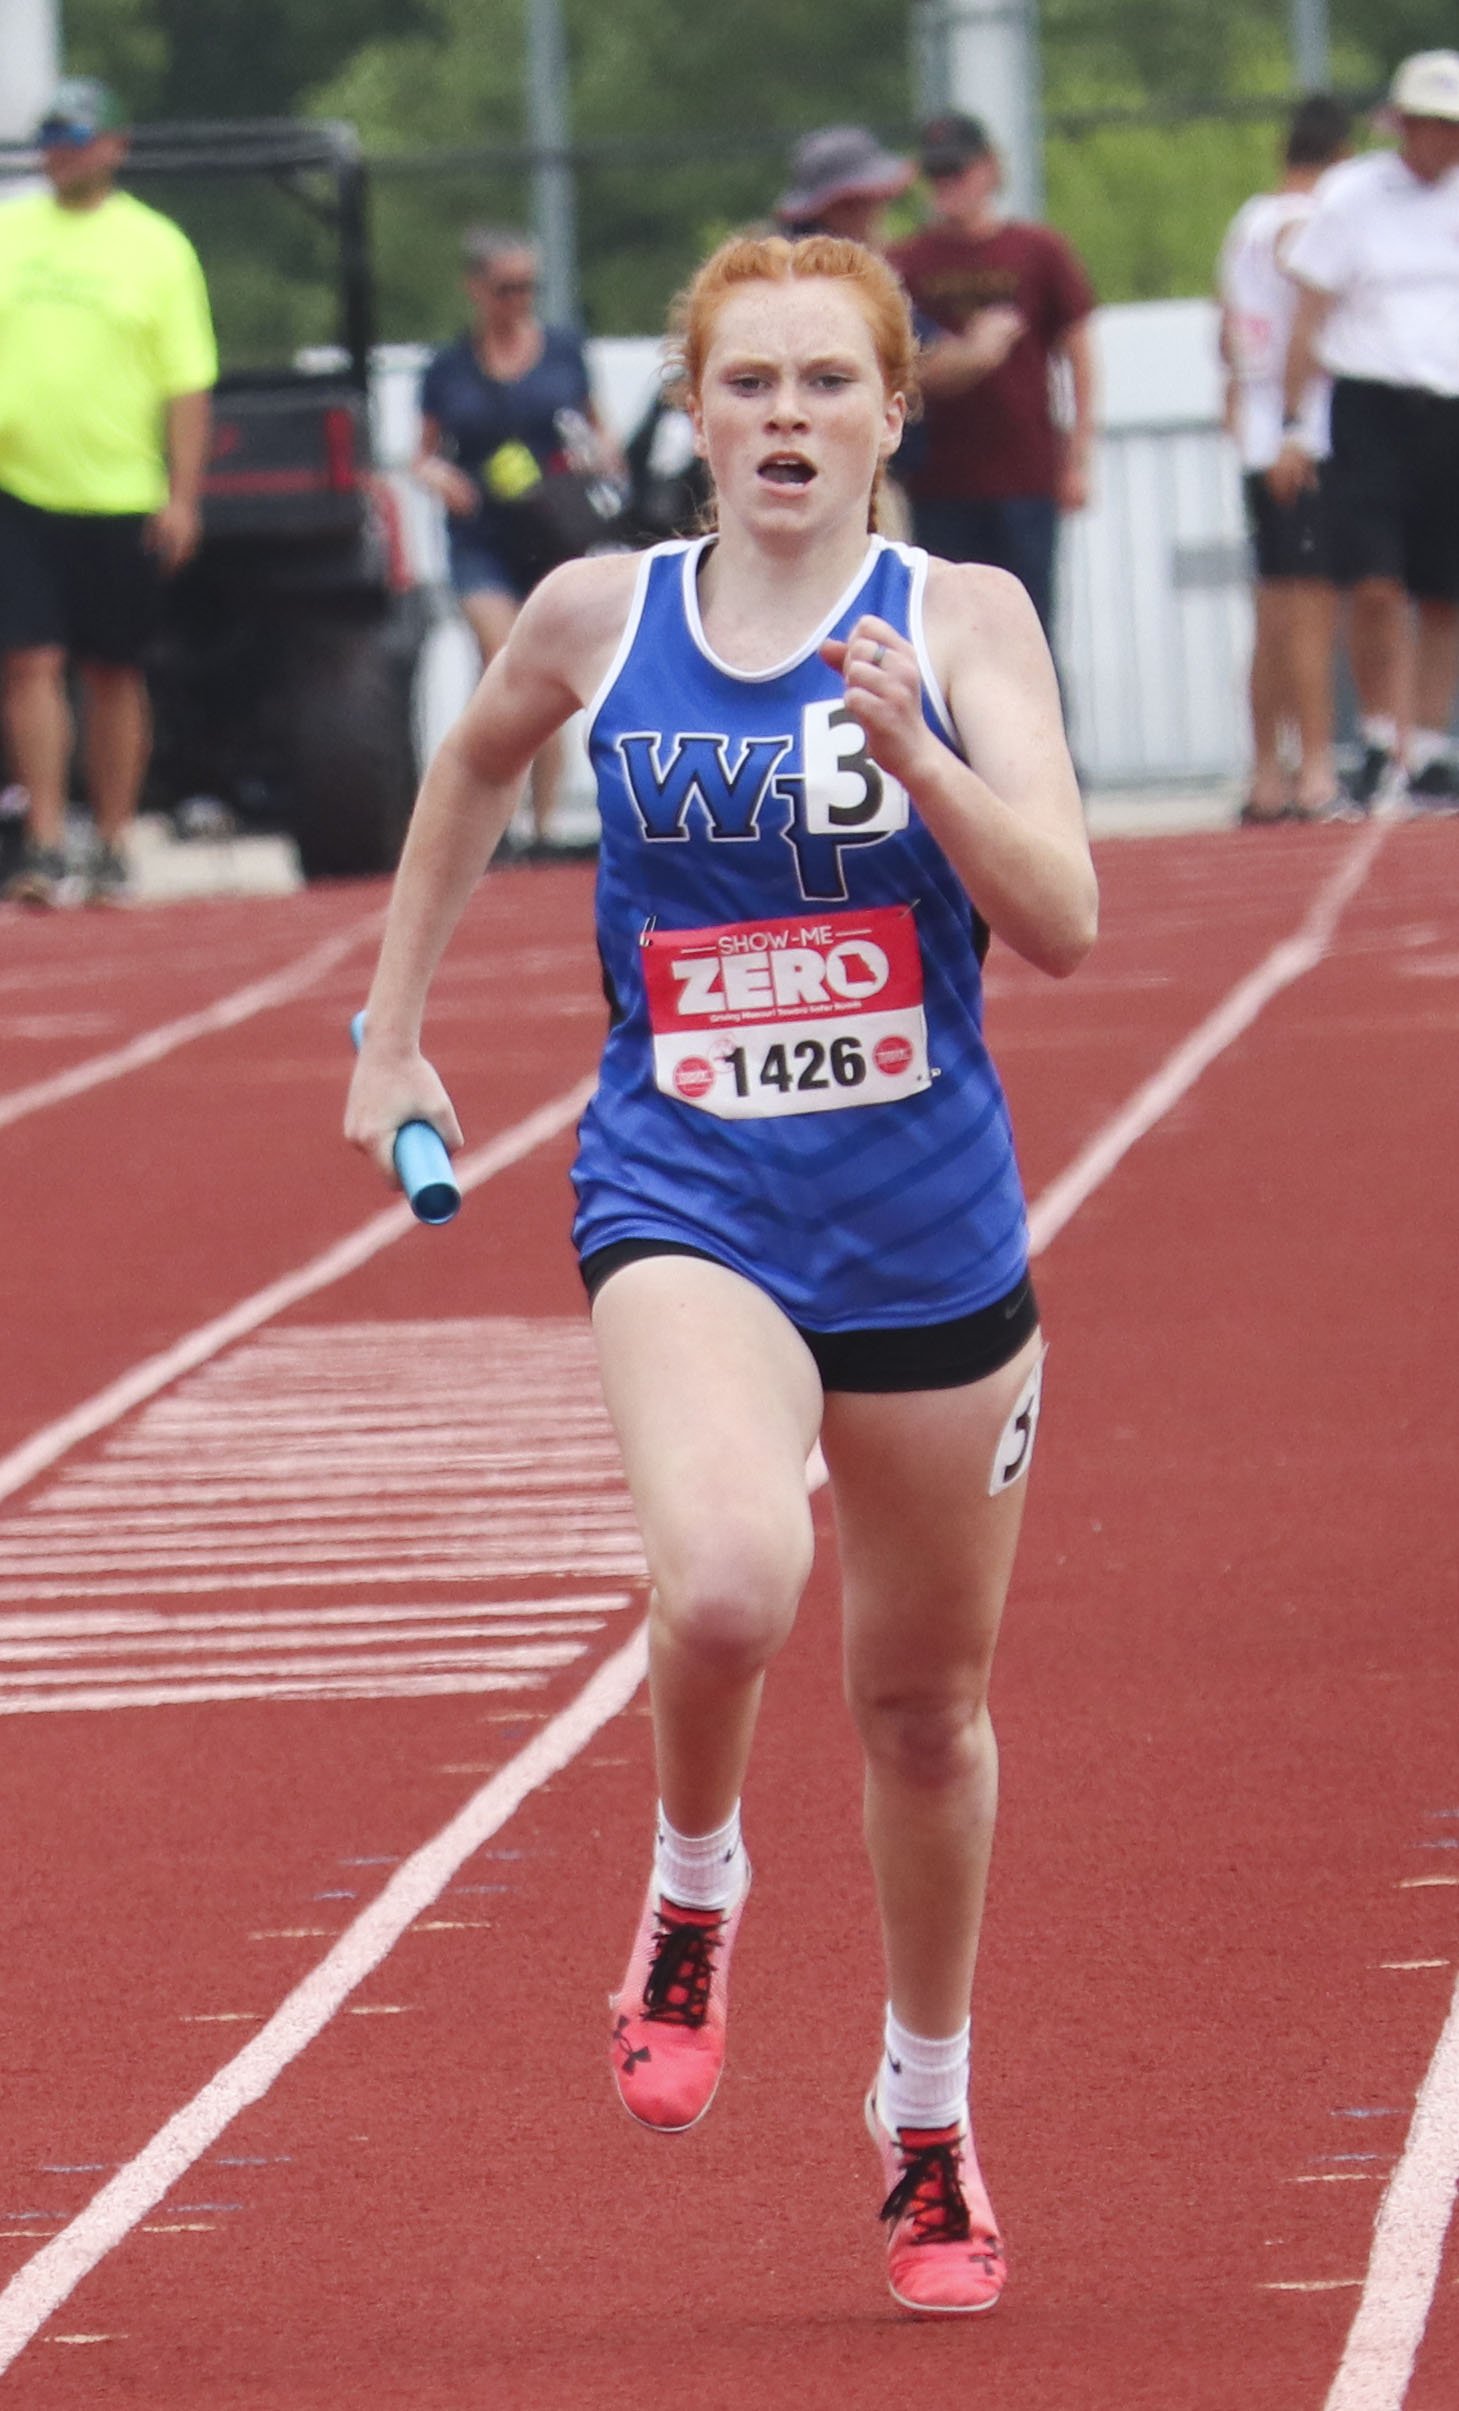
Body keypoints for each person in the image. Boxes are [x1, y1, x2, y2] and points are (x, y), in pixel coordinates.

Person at [346, 233, 1096, 2316]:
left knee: (924, 1709)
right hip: (690, 1188)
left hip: (931, 1218)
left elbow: (1069, 917)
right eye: (747, 383)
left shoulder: (964, 616)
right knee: (735, 1576)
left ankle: (924, 2114)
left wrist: (921, 753)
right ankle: (693, 1882)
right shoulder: (604, 614)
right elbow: (477, 763)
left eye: (826, 385)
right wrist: (389, 1025)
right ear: (697, 413)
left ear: (886, 412)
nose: (785, 418)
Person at [0, 77, 216, 908]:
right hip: (19, 485)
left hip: (121, 489)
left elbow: (187, 383)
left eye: (80, 137)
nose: (64, 152)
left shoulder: (156, 246)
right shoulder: (13, 232)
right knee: (28, 660)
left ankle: (115, 836)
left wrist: (183, 495)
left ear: (116, 146)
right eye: (53, 138)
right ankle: (46, 837)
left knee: (113, 669)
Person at [1272, 52, 1459, 815]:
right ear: (1403, 125)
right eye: (1429, 125)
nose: (1439, 140)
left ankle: (1434, 746)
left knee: (1445, 593)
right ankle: (1383, 737)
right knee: (1374, 585)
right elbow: (1307, 319)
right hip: (1369, 407)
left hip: (1449, 407)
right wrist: (1290, 424)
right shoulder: (1353, 197)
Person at [414, 228, 621, 851]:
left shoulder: (563, 353)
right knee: (504, 656)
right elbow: (421, 455)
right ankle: (493, 818)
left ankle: (540, 824)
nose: (519, 300)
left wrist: (597, 464)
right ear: (476, 290)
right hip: (480, 534)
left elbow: (600, 434)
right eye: (506, 289)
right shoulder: (447, 369)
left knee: (541, 674)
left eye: (529, 287)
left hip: (549, 531)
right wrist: (440, 478)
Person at [887, 111, 1097, 644]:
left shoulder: (1036, 251)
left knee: (1029, 627)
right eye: (938, 175)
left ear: (989, 170)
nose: (949, 186)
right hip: (941, 479)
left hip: (1023, 473)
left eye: (958, 171)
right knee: (947, 630)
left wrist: (1077, 458)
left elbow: (1079, 353)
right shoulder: (907, 262)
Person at [1216, 95, 1351, 824]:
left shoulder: (1248, 220)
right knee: (1306, 609)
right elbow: (1311, 316)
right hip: (1301, 432)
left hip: (1259, 430)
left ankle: (1268, 770)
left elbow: (1225, 325)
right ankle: (1315, 771)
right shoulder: (1302, 226)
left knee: (1273, 607)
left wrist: (1237, 393)